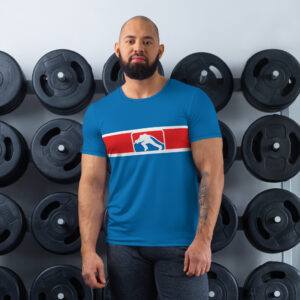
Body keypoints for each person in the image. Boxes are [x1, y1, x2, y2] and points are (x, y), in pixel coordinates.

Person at [78, 15, 224, 300]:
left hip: (182, 245)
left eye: (147, 41)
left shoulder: (192, 101)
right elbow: (92, 184)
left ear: (160, 50)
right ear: (117, 49)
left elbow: (212, 172)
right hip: (123, 246)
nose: (138, 47)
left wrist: (203, 241)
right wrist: (88, 250)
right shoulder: (99, 114)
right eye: (130, 41)